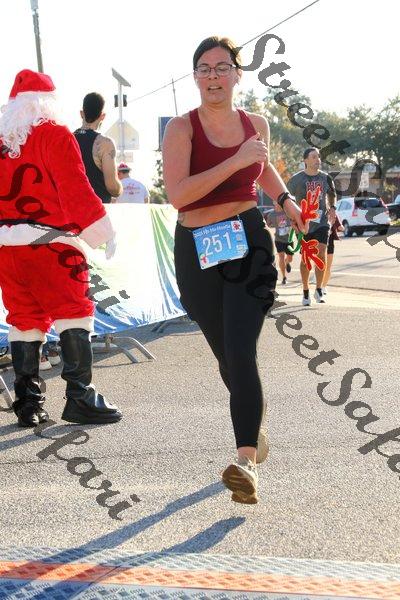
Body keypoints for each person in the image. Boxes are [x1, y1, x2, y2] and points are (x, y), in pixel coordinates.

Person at [163, 36, 306, 504]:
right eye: (204, 69)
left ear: (237, 75)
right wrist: (236, 160)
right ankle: (253, 427)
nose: (213, 77)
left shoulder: (255, 124)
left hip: (248, 243)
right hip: (196, 247)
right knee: (226, 355)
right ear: (195, 77)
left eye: (222, 67)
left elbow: (260, 169)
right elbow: (180, 195)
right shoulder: (181, 129)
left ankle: (245, 464)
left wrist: (285, 200)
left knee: (241, 351)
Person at [0, 69, 122, 427]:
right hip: (53, 244)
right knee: (74, 311)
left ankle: (28, 403)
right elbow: (74, 188)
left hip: (8, 249)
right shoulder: (55, 134)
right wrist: (102, 230)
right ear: (48, 103)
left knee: (24, 318)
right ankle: (80, 396)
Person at [287, 148, 337, 306]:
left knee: (321, 253)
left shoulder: (326, 178)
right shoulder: (296, 180)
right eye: (314, 157)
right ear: (305, 160)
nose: (318, 160)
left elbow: (332, 194)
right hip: (304, 224)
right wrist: (292, 219)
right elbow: (285, 201)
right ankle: (305, 291)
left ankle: (319, 289)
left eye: (318, 157)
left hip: (322, 222)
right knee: (306, 259)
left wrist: (332, 207)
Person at [74, 93, 122, 204]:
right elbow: (112, 187)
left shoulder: (66, 140)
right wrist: (120, 188)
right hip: (97, 209)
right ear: (102, 116)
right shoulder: (105, 143)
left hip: (70, 208)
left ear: (81, 113)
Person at [266, 206, 294, 284]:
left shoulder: (287, 212)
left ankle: (287, 262)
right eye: (275, 202)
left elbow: (294, 220)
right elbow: (268, 225)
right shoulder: (271, 214)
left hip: (289, 239)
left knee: (290, 258)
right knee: (281, 256)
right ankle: (284, 277)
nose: (277, 203)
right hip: (278, 239)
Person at [322, 213, 344, 294]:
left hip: (329, 241)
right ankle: (320, 285)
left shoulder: (333, 213)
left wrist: (341, 227)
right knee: (322, 265)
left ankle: (323, 286)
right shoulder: (318, 211)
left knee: (327, 266)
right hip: (320, 241)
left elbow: (340, 227)